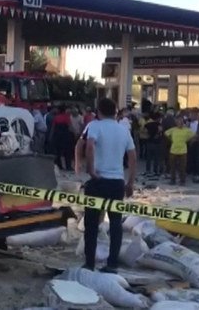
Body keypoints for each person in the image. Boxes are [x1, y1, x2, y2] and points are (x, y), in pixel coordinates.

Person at [84, 98, 135, 272]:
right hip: (117, 182)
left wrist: (91, 170)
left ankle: (89, 263)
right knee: (115, 223)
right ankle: (112, 263)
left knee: (91, 223)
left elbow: (89, 147)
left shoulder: (95, 126)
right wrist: (130, 182)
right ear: (115, 112)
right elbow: (133, 156)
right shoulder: (123, 130)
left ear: (98, 111)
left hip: (98, 181)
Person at [165, 116, 194, 186]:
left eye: (181, 122)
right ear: (176, 123)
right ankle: (173, 180)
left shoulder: (187, 130)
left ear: (183, 123)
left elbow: (193, 136)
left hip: (183, 151)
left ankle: (182, 181)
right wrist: (171, 140)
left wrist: (187, 140)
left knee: (182, 167)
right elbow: (166, 134)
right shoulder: (173, 130)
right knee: (172, 167)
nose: (180, 123)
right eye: (178, 122)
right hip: (173, 150)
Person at [50, 106, 74, 171]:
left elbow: (53, 128)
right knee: (67, 152)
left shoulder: (56, 118)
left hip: (57, 137)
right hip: (66, 136)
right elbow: (70, 127)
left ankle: (59, 166)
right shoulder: (66, 117)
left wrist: (51, 136)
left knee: (58, 152)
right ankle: (68, 166)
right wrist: (73, 133)